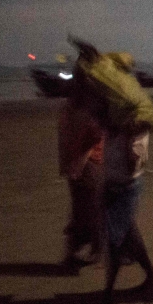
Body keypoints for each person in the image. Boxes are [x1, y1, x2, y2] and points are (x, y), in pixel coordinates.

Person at [99, 121, 153, 304]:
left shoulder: (137, 127)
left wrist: (128, 137)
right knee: (127, 234)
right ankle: (150, 274)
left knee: (116, 240)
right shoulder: (109, 124)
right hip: (110, 184)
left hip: (126, 188)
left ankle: (108, 293)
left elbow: (134, 164)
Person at [58, 76, 106, 270]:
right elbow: (94, 137)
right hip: (87, 164)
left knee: (80, 209)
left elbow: (66, 138)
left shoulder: (69, 108)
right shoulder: (88, 110)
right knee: (91, 208)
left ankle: (77, 251)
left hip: (75, 164)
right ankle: (93, 250)